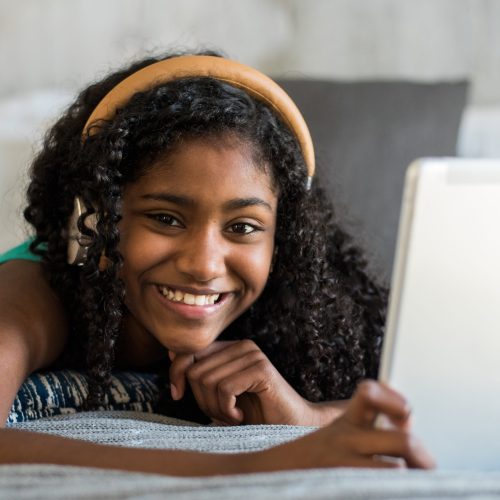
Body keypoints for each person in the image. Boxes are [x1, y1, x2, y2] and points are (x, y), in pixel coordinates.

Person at [0, 50, 434, 474]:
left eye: (243, 227)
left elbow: (436, 414)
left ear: (281, 241)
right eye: (166, 219)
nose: (204, 265)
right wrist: (253, 461)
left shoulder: (295, 313)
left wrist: (306, 419)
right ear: (93, 217)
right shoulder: (31, 291)